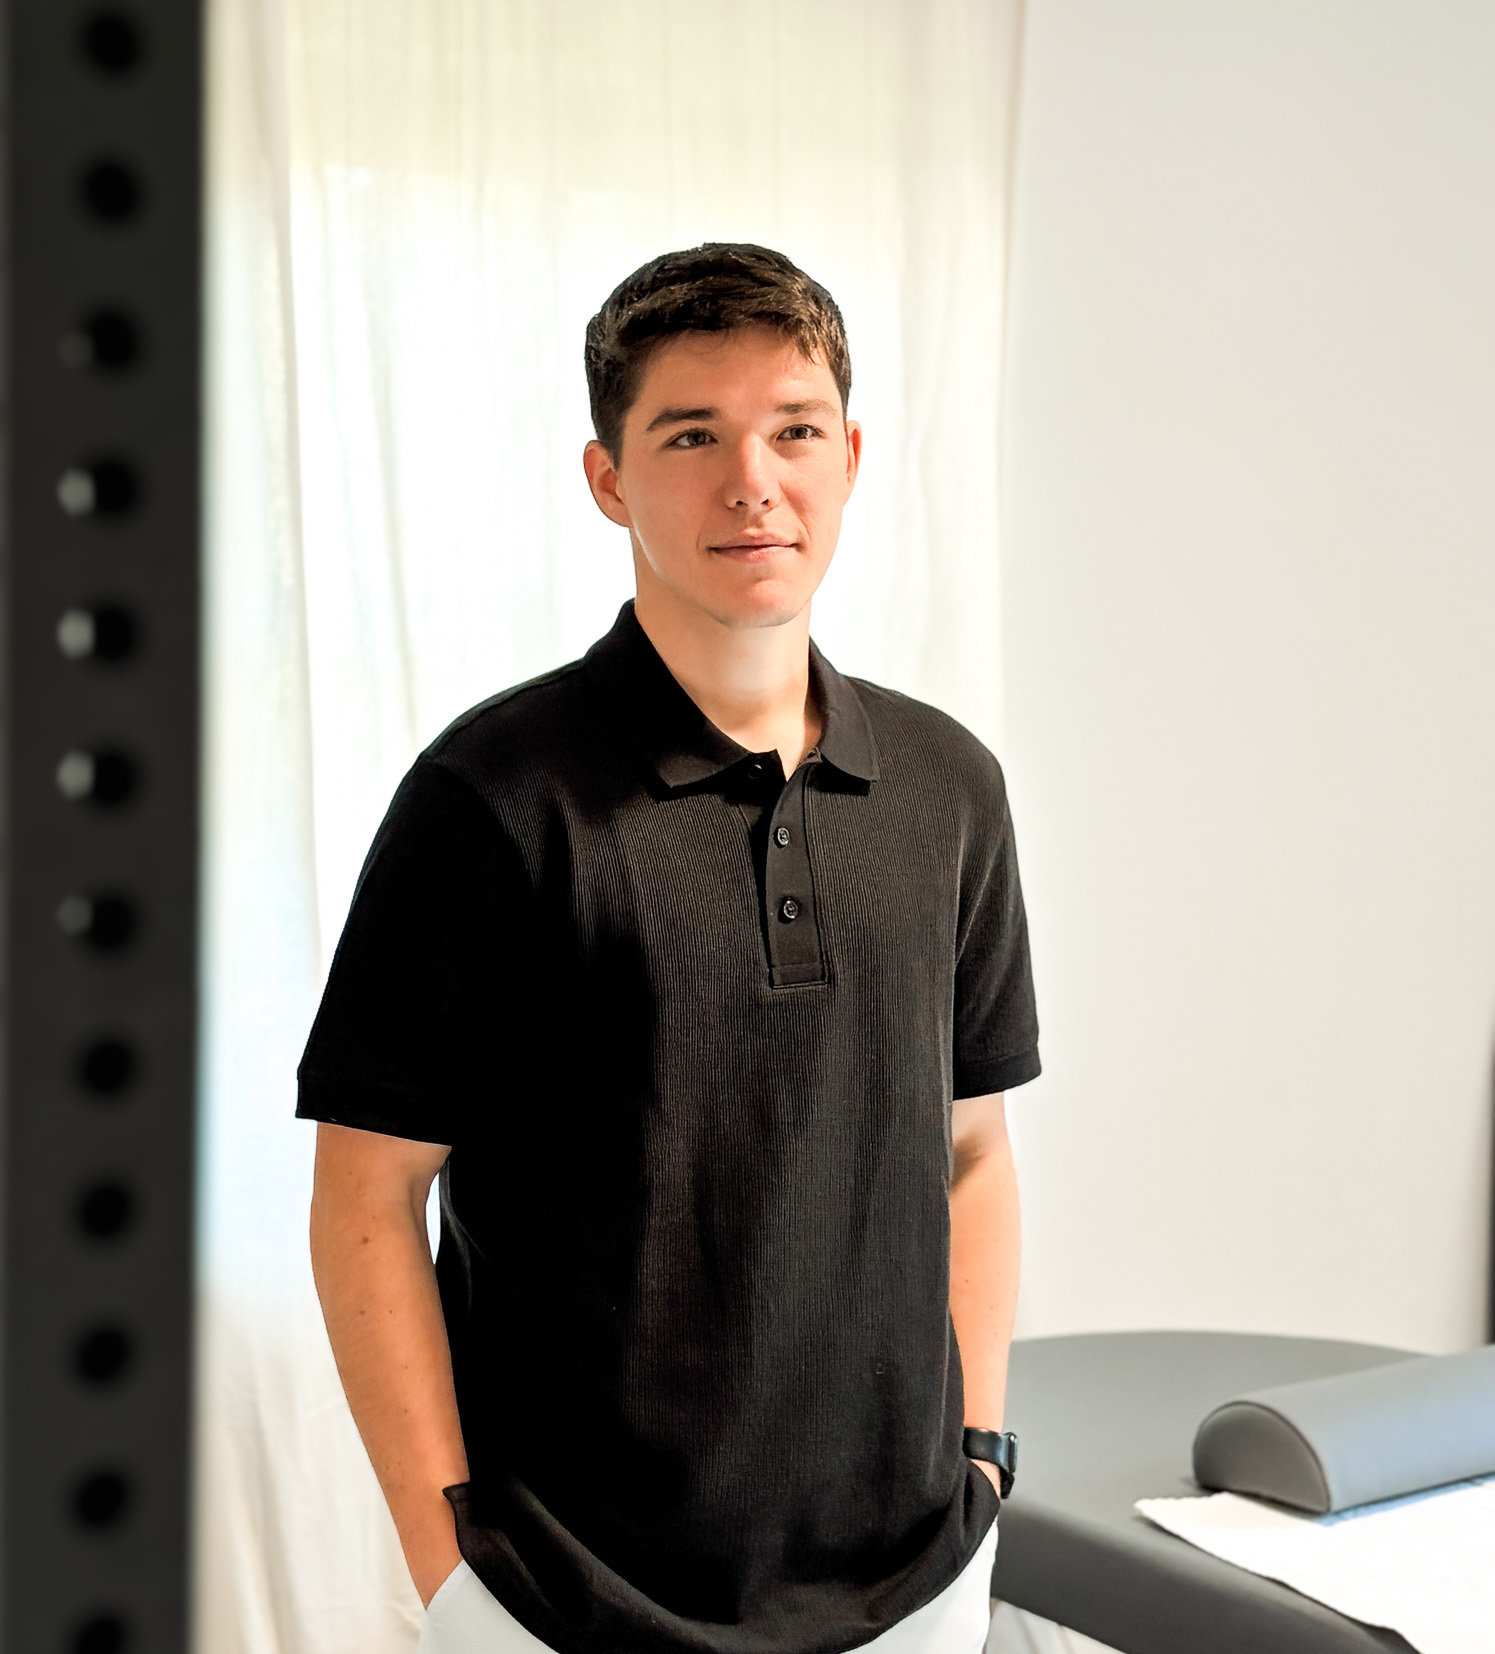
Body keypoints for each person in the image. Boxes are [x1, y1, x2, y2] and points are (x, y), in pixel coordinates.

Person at [299, 243, 1040, 1654]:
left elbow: (973, 1150)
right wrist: (451, 1562)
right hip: (572, 1601)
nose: (749, 479)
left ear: (849, 456)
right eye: (689, 434)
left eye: (792, 429)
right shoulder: (491, 799)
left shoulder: (950, 787)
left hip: (912, 1586)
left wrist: (981, 1452)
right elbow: (366, 1197)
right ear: (606, 477)